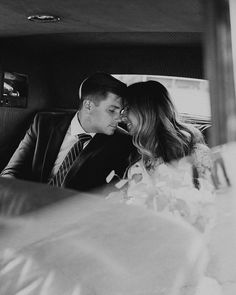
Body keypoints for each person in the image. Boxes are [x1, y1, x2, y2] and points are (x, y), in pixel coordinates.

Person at [108, 80, 215, 232]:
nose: (121, 118)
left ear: (145, 110)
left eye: (127, 109)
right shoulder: (136, 158)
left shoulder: (196, 153)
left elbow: (211, 210)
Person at [0, 73, 135, 192]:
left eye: (121, 111)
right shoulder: (44, 123)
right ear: (88, 106)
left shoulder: (122, 143)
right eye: (112, 110)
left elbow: (111, 194)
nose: (120, 118)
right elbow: (12, 171)